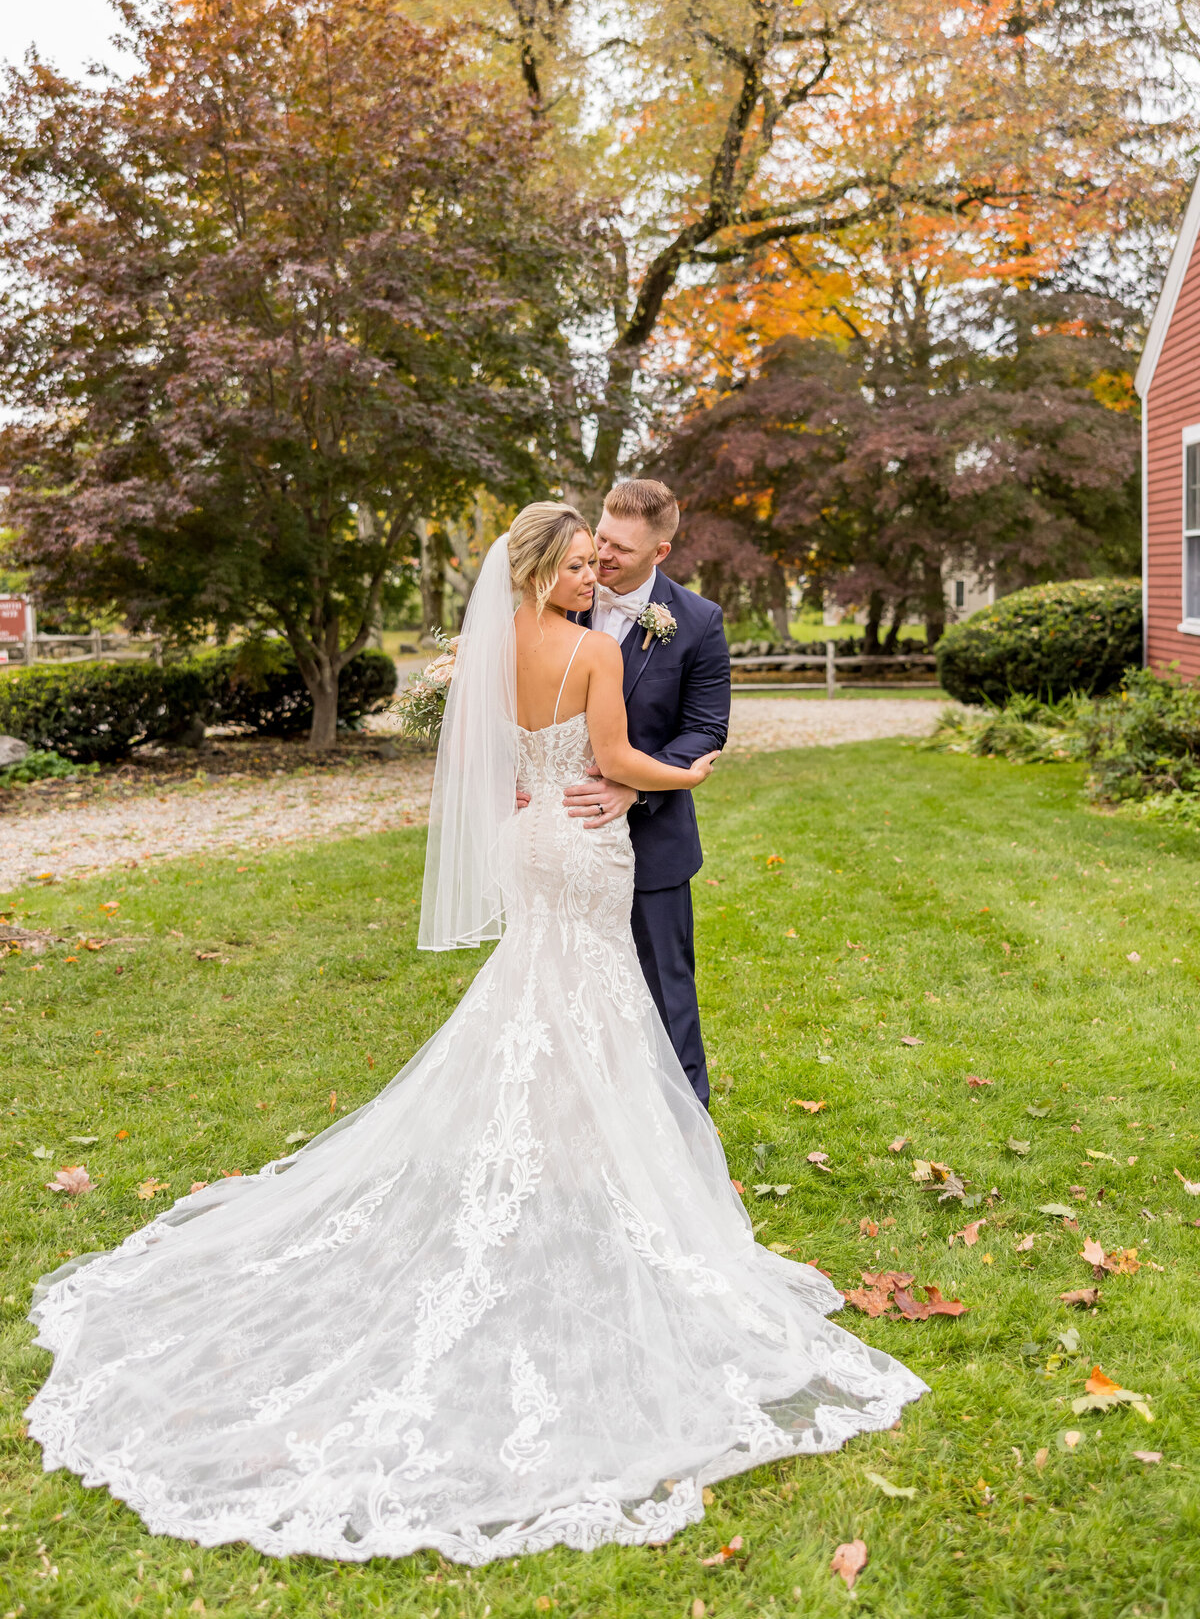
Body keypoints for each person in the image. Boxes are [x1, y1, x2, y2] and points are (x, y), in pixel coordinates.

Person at [25, 502, 925, 1566]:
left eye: (603, 561)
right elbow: (617, 758)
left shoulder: (488, 650)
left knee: (542, 994)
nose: (596, 577)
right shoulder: (591, 648)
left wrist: (554, 789)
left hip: (526, 837)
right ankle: (601, 1170)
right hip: (586, 842)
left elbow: (496, 765)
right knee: (590, 999)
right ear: (545, 569)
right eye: (582, 563)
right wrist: (687, 775)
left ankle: (558, 1155)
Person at [562, 478, 729, 1106]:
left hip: (654, 840)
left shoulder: (697, 621)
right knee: (566, 985)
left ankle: (687, 1133)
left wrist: (631, 786)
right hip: (565, 836)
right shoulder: (561, 597)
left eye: (620, 550)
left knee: (665, 990)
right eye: (601, 537)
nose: (602, 557)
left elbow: (706, 728)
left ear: (659, 554)